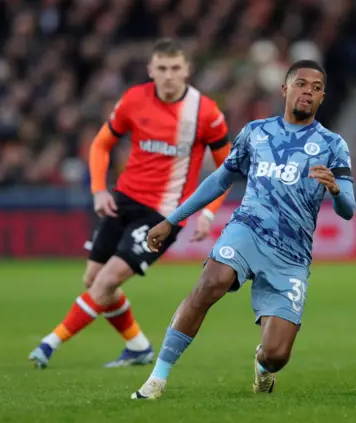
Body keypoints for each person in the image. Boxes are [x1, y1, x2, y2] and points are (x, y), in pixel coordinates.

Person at [130, 60, 356, 400]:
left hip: (291, 256)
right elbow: (221, 179)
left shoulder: (333, 145)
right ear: (285, 89)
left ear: (323, 97)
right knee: (210, 282)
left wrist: (336, 191)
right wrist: (172, 219)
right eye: (301, 83)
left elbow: (348, 210)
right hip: (247, 230)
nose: (308, 90)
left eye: (316, 87)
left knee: (277, 354)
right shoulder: (255, 132)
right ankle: (157, 378)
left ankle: (263, 366)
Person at [28, 38, 232, 369]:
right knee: (93, 280)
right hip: (122, 200)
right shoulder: (134, 99)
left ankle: (50, 343)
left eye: (175, 68)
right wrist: (99, 190)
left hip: (163, 215)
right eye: (162, 69)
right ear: (151, 70)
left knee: (107, 281)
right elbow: (101, 145)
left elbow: (227, 170)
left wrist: (208, 212)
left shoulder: (206, 113)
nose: (168, 75)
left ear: (187, 70)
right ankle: (137, 346)